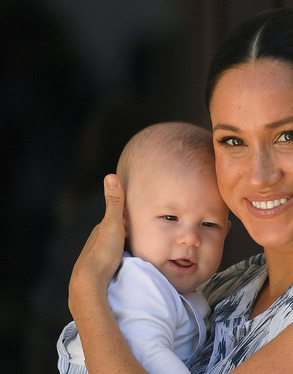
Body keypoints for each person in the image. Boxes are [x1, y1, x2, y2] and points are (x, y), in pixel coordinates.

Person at [66, 8, 293, 374]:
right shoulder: (231, 284)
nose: (259, 175)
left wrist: (86, 292)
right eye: (233, 141)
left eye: (288, 136)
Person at [57, 121, 231, 373]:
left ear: (226, 232)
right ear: (123, 222)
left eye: (209, 224)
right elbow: (148, 356)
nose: (191, 238)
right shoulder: (140, 285)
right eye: (170, 218)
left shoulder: (173, 289)